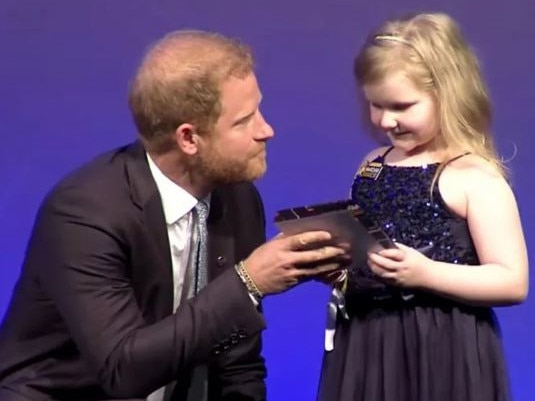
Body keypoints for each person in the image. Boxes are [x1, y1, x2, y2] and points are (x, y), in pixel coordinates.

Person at [0, 30, 348, 401]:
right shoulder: (85, 213)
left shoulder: (239, 200)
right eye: (244, 120)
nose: (266, 130)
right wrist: (248, 282)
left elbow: (238, 364)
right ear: (188, 138)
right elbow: (122, 369)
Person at [317, 12, 529, 401]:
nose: (385, 120)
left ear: (447, 94)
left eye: (401, 105)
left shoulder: (472, 175)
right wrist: (344, 270)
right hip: (368, 338)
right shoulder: (373, 165)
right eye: (374, 105)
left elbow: (512, 281)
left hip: (440, 343)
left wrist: (425, 273)